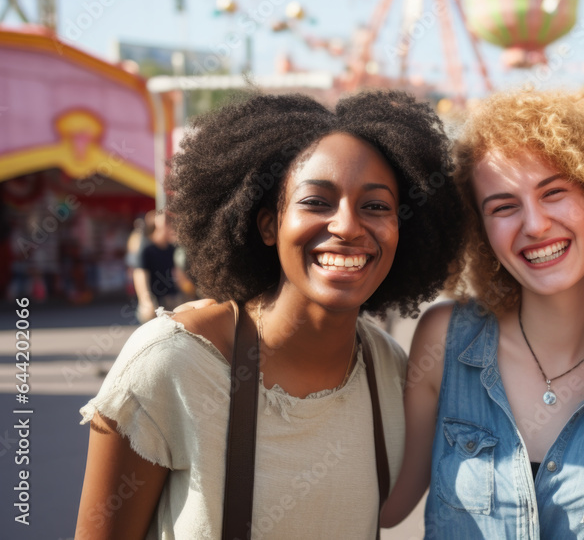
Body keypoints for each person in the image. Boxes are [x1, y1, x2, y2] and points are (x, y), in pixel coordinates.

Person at [76, 91, 462, 539]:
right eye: (317, 201)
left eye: (375, 206)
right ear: (266, 224)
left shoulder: (390, 371)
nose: (348, 226)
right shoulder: (170, 362)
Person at [380, 91, 584, 538]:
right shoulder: (444, 339)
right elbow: (386, 507)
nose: (534, 225)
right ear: (480, 231)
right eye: (503, 207)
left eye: (554, 192)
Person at [133, 211, 180, 322]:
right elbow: (140, 275)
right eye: (166, 224)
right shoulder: (146, 249)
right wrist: (146, 300)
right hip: (155, 302)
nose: (171, 227)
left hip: (171, 298)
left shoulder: (172, 248)